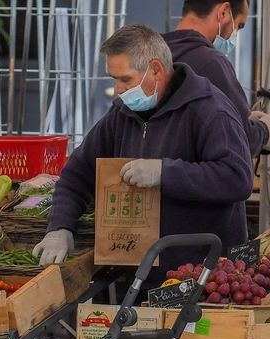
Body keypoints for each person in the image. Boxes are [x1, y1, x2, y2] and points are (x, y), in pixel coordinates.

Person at [33, 24, 253, 285]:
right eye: (113, 79)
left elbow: (237, 178)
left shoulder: (210, 110)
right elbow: (77, 174)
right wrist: (60, 227)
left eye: (125, 79)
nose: (118, 89)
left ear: (156, 70)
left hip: (204, 277)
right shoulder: (121, 114)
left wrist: (165, 173)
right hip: (138, 276)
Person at [163, 0, 270, 157]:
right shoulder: (210, 62)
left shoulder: (151, 57)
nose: (236, 33)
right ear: (224, 12)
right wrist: (265, 132)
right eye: (239, 26)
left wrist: (246, 119)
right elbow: (241, 139)